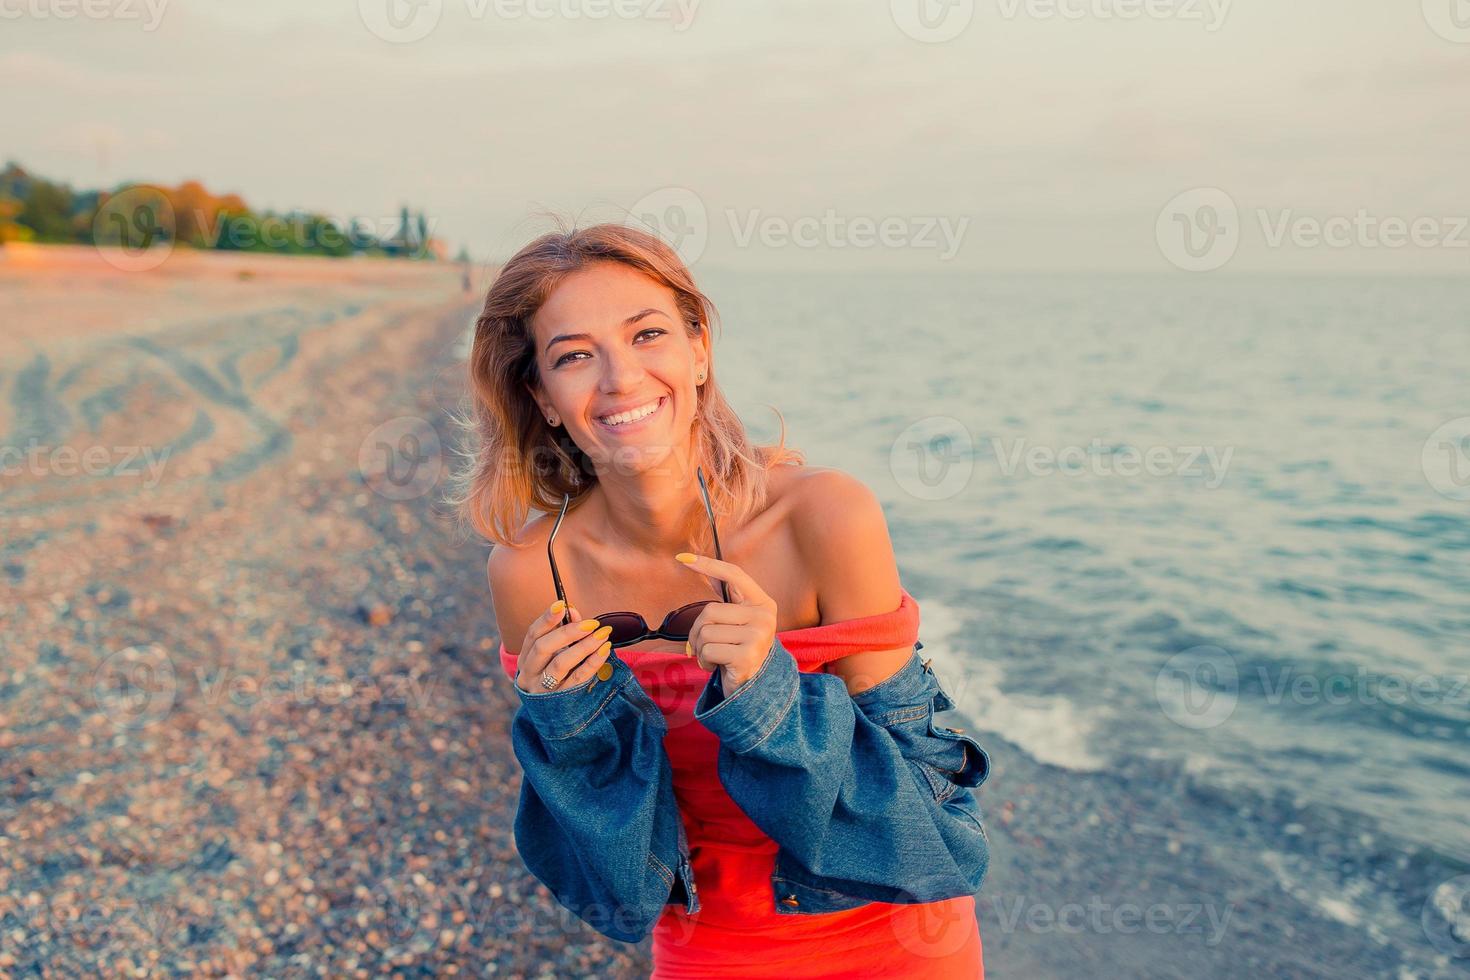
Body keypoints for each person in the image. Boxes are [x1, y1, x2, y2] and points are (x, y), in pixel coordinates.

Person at [449, 222, 990, 977]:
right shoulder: (534, 574)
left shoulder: (825, 518)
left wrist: (770, 697)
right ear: (540, 395)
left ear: (698, 350)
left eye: (647, 335)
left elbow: (935, 838)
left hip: (898, 939)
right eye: (575, 355)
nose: (621, 380)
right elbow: (613, 891)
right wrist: (570, 735)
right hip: (712, 949)